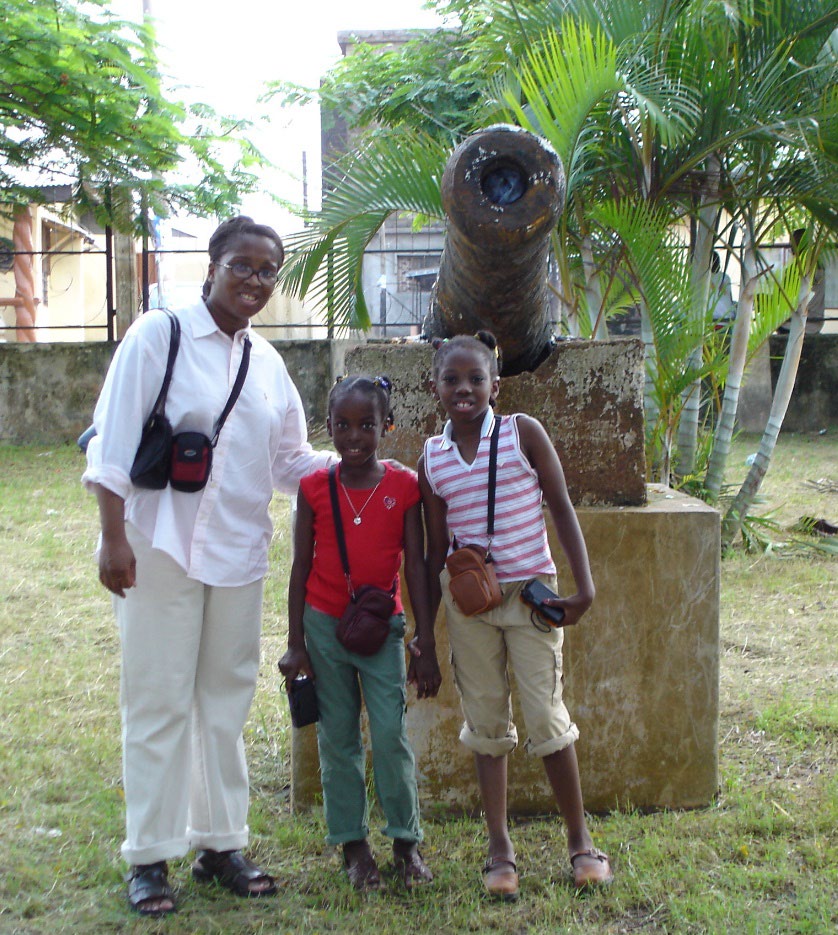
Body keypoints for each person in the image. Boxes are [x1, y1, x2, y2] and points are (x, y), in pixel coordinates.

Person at [83, 216, 335, 917]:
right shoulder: (157, 336)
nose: (254, 279)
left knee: (224, 701)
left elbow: (289, 462)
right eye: (242, 265)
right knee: (157, 699)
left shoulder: (269, 365)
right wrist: (112, 538)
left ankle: (220, 843)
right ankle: (149, 856)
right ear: (213, 265)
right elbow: (112, 444)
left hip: (236, 552)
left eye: (267, 270)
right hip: (158, 544)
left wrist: (359, 466)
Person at [418, 332, 613, 899]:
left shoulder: (522, 433)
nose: (463, 389)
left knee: (547, 716)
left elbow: (561, 507)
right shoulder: (432, 458)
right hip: (470, 606)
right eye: (451, 379)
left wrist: (584, 589)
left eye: (475, 379)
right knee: (485, 724)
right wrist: (424, 635)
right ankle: (499, 848)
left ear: (495, 386)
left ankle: (580, 841)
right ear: (434, 387)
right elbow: (434, 550)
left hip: (532, 598)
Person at [278, 374, 442, 892]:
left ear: (386, 425)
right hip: (324, 626)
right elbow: (300, 568)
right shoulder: (314, 488)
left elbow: (415, 565)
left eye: (366, 425)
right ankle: (353, 845)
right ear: (327, 427)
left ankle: (406, 842)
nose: (354, 437)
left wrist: (424, 638)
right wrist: (296, 644)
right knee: (338, 737)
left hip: (382, 629)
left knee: (391, 735)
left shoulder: (403, 486)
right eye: (343, 425)